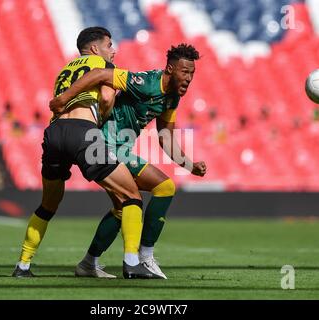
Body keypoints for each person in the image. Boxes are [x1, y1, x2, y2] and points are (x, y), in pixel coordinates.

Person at [12, 27, 162, 279]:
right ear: (95, 48)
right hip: (83, 132)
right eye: (109, 45)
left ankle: (23, 265)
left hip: (54, 134)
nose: (113, 51)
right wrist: (102, 119)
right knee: (131, 195)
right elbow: (105, 97)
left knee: (48, 205)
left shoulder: (64, 70)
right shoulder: (102, 65)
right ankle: (132, 263)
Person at [50, 43, 207, 279]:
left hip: (118, 147)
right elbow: (101, 74)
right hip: (103, 143)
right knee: (164, 187)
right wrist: (64, 98)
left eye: (192, 74)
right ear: (170, 69)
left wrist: (188, 164)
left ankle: (88, 263)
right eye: (184, 72)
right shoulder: (146, 82)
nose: (189, 78)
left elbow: (165, 137)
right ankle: (144, 257)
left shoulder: (172, 99)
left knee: (122, 208)